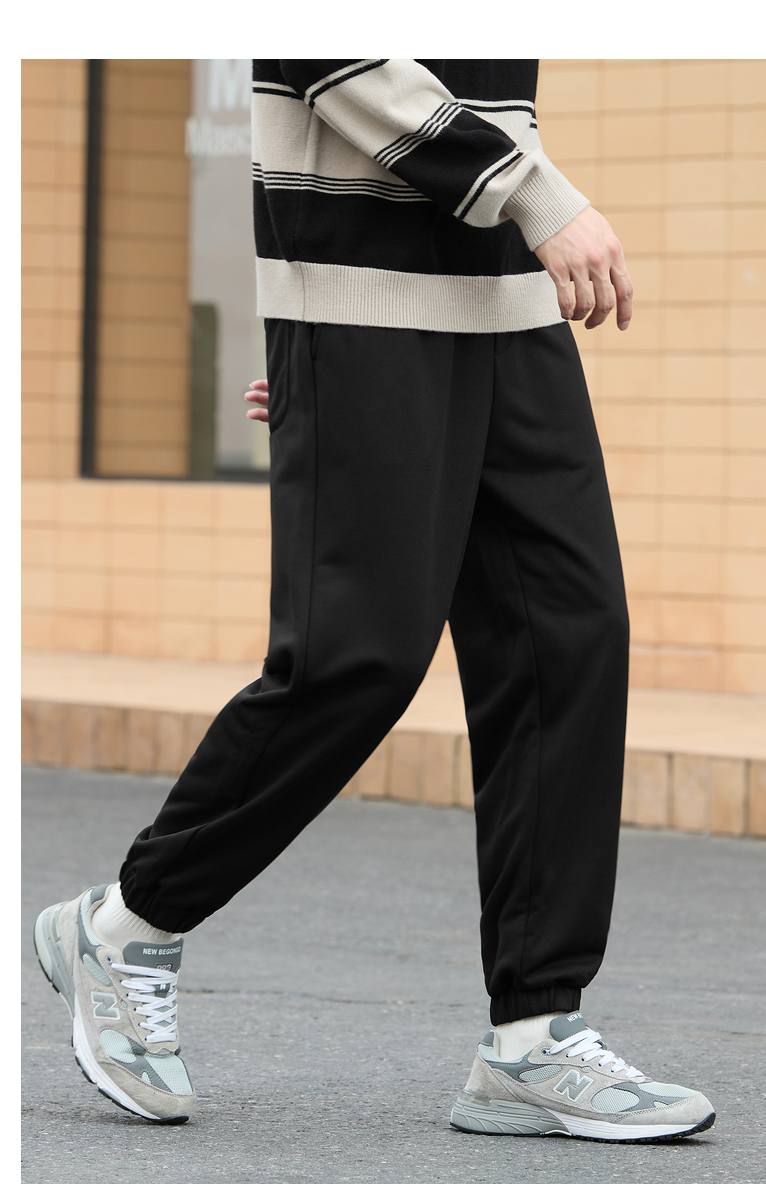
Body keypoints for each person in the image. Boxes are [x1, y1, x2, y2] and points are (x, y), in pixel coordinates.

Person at [34, 59, 715, 1141]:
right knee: (358, 656)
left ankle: (532, 1035)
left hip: (509, 301)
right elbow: (322, 52)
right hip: (364, 296)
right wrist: (534, 195)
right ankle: (126, 925)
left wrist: (524, 211)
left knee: (569, 641)